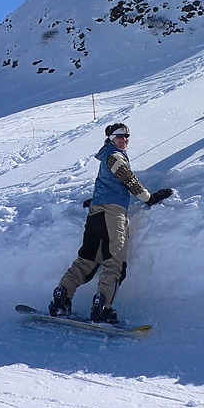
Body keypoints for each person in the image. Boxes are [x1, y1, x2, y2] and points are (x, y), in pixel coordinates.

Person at [49, 123, 173, 323]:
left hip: (96, 214)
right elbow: (129, 180)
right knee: (114, 262)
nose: (124, 139)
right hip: (112, 215)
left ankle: (62, 297)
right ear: (110, 138)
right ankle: (103, 309)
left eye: (127, 136)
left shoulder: (106, 156)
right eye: (120, 136)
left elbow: (104, 182)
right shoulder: (115, 157)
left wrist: (97, 199)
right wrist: (149, 198)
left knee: (87, 260)